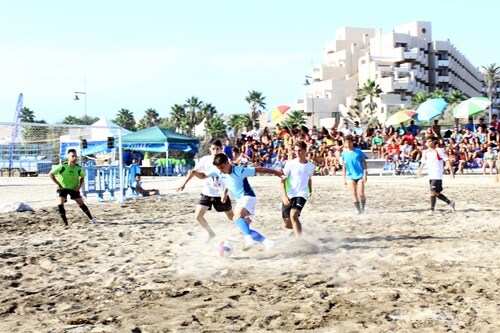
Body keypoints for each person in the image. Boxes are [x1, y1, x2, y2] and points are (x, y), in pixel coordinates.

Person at [191, 153, 282, 249]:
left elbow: (260, 169)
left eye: (222, 167)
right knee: (244, 228)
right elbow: (203, 176)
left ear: (227, 163)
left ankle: (249, 239)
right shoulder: (218, 171)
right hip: (241, 200)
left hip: (248, 197)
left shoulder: (239, 170)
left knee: (236, 217)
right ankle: (267, 242)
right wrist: (195, 173)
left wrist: (277, 173)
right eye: (218, 168)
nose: (220, 171)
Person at [176, 139, 234, 239]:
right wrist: (184, 183)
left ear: (221, 149)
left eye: (217, 149)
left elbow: (230, 178)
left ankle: (245, 229)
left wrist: (225, 192)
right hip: (207, 193)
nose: (215, 151)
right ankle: (211, 233)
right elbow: (195, 172)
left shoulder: (225, 160)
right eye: (213, 149)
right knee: (198, 216)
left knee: (231, 216)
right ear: (210, 149)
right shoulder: (205, 160)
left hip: (220, 194)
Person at [49, 148, 96, 226]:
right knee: (60, 203)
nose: (74, 158)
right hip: (63, 188)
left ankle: (91, 219)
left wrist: (79, 186)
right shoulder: (63, 166)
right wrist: (58, 184)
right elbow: (50, 174)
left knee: (81, 204)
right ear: (68, 157)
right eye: (72, 156)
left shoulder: (78, 168)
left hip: (73, 188)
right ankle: (66, 224)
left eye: (75, 156)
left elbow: (83, 177)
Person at [280, 141, 315, 238]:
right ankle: (299, 230)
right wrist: (284, 196)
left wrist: (310, 191)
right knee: (287, 224)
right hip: (289, 194)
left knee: (293, 215)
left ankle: (299, 240)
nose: (297, 153)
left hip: (302, 194)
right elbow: (282, 180)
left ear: (305, 150)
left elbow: (309, 180)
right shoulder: (290, 164)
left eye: (299, 150)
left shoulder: (311, 167)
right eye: (296, 151)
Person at [417, 136, 455, 213]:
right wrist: (419, 170)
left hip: (437, 174)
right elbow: (423, 162)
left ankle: (432, 210)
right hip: (430, 175)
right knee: (436, 193)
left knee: (431, 192)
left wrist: (451, 172)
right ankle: (450, 202)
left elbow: (447, 160)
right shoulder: (426, 152)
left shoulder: (439, 150)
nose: (428, 143)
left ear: (434, 141)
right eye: (427, 141)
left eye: (430, 141)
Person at [341, 135, 368, 214]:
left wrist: (365, 174)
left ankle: (363, 208)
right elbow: (344, 166)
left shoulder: (358, 151)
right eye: (346, 142)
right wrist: (344, 178)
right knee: (353, 193)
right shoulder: (344, 153)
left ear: (352, 142)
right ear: (345, 143)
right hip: (350, 176)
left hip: (360, 175)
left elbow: (364, 162)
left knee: (361, 193)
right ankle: (358, 210)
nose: (348, 144)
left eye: (350, 142)